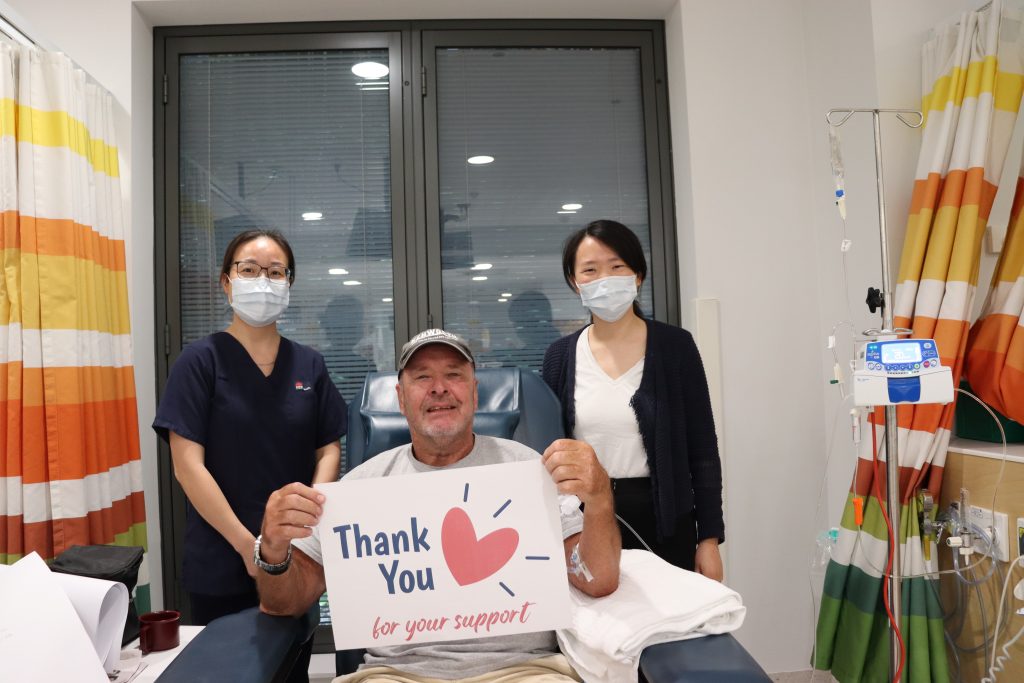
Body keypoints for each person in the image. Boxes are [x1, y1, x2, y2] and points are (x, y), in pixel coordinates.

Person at [255, 328, 621, 683]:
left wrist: (601, 498)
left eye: (454, 375)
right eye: (422, 377)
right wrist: (273, 550)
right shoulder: (361, 489)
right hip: (394, 675)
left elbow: (596, 578)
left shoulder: (529, 471)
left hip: (524, 671)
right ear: (401, 398)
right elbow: (284, 604)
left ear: (475, 393)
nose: (439, 388)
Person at [153, 229, 347, 627]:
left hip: (296, 556)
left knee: (292, 669)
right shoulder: (199, 362)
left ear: (289, 284)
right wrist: (249, 547)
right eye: (249, 270)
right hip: (221, 556)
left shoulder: (309, 364)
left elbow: (328, 449)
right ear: (226, 282)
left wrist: (301, 530)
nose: (263, 281)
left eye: (276, 272)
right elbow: (187, 466)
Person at [542, 219, 724, 579]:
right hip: (586, 521)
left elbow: (702, 452)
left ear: (638, 275)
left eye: (617, 267)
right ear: (574, 282)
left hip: (667, 522)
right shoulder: (560, 356)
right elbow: (551, 453)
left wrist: (709, 539)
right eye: (590, 270)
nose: (604, 279)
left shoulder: (676, 347)